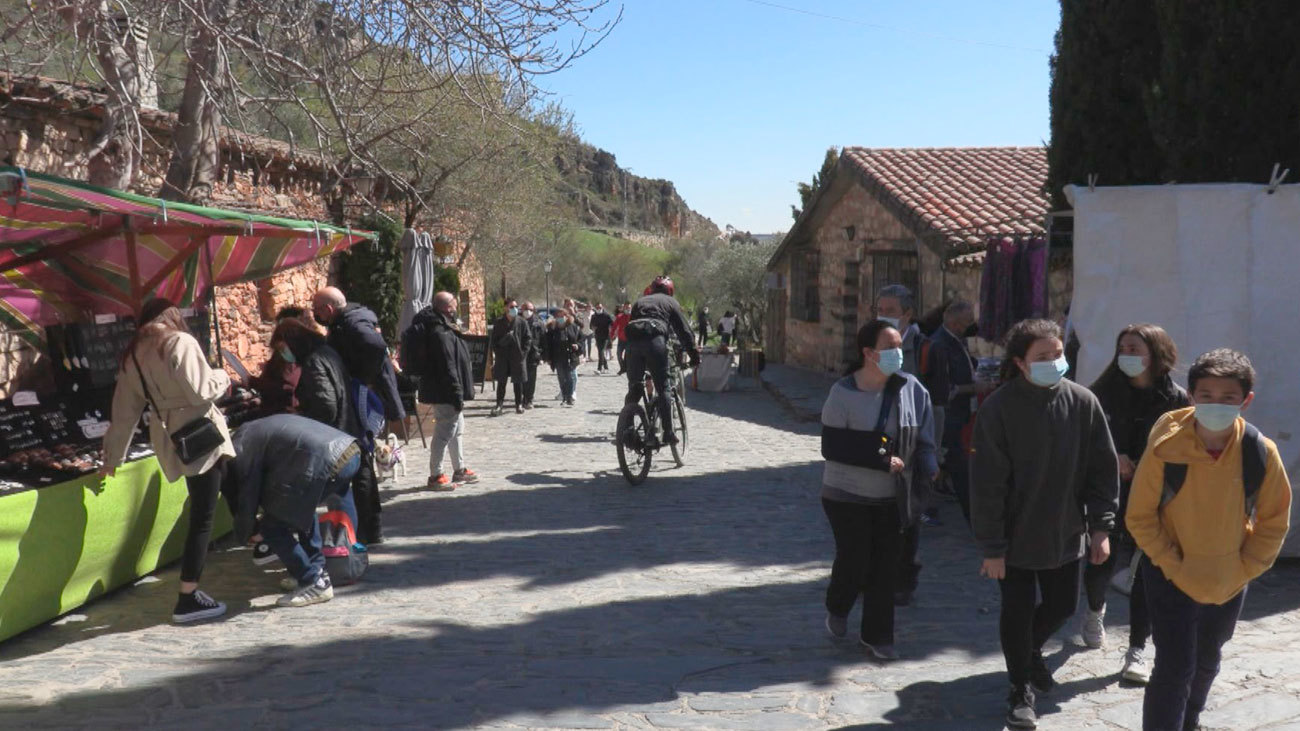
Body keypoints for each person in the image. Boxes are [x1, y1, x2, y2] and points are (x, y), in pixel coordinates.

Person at [1127, 349, 1291, 731]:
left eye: (1228, 398)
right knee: (1173, 666)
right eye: (1206, 396)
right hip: (1169, 573)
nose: (1216, 405)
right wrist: (1172, 563)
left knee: (1206, 660)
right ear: (1191, 396)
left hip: (1228, 576)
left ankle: (1192, 720)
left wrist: (1245, 567)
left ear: (1246, 401)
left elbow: (1273, 521)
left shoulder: (1260, 453)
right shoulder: (1166, 448)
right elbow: (1139, 516)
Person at [970, 318, 1120, 730]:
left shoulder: (1083, 402)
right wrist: (992, 547)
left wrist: (1102, 528)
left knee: (1062, 606)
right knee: (1016, 612)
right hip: (1014, 538)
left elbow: (1102, 471)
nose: (1054, 362)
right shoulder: (998, 409)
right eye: (1042, 357)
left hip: (1065, 532)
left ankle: (1028, 652)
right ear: (1019, 363)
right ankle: (1020, 689)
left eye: (1057, 355)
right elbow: (986, 484)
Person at [100, 297, 235, 623]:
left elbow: (124, 413)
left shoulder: (134, 354)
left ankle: (260, 538)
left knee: (232, 481)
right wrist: (224, 376)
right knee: (203, 515)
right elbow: (202, 390)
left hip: (175, 437)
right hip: (202, 434)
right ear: (171, 315)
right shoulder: (180, 341)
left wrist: (112, 457)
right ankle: (187, 597)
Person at [821, 320, 938, 661]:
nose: (898, 354)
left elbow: (924, 439)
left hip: (893, 496)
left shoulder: (913, 390)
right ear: (868, 353)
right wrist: (883, 457)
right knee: (855, 559)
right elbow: (834, 445)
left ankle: (877, 636)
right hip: (845, 495)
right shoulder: (843, 393)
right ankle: (838, 605)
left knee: (885, 567)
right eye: (890, 348)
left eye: (900, 346)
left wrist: (929, 466)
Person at [1083, 324, 1189, 684]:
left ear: (1156, 354)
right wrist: (1113, 457)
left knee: (1145, 570)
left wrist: (1150, 468)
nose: (1127, 355)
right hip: (1108, 494)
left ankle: (1137, 648)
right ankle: (1095, 609)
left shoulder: (1176, 399)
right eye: (1123, 347)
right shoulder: (1101, 393)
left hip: (1154, 497)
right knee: (1102, 558)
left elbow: (1186, 449)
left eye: (1136, 348)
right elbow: (1087, 439)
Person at [229, 414, 363, 607]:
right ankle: (315, 571)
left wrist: (249, 531)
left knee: (272, 527)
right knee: (302, 506)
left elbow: (248, 494)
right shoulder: (249, 432)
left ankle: (312, 580)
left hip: (330, 459)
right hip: (347, 450)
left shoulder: (240, 450)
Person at [312, 286, 399, 545]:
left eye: (317, 309)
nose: (315, 314)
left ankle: (367, 529)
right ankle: (371, 528)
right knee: (362, 461)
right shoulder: (351, 320)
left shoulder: (351, 323)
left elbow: (375, 346)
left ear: (328, 309)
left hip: (357, 399)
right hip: (358, 396)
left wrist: (362, 379)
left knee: (360, 462)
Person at [872, 283, 930, 607]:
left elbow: (934, 402)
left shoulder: (924, 348)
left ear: (907, 314)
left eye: (890, 311)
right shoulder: (872, 344)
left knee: (908, 518)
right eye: (880, 310)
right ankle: (878, 576)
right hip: (880, 440)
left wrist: (931, 452)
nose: (884, 316)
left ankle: (904, 579)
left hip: (912, 445)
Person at [403, 291, 479, 491]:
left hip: (445, 389)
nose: (456, 308)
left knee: (456, 430)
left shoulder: (443, 327)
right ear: (447, 307)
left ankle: (459, 468)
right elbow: (448, 366)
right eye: (454, 304)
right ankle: (435, 475)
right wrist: (456, 393)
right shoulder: (439, 332)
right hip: (445, 390)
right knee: (444, 432)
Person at [924, 301, 989, 522]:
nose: (969, 326)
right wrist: (973, 388)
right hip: (948, 415)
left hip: (960, 414)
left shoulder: (955, 340)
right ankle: (973, 515)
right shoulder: (940, 344)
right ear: (953, 322)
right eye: (965, 322)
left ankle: (930, 506)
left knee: (949, 462)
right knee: (957, 465)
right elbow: (944, 388)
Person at [625, 276, 700, 445]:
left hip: (633, 347)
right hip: (655, 344)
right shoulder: (671, 302)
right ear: (670, 291)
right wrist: (694, 355)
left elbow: (630, 327)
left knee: (635, 388)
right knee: (664, 387)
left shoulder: (640, 302)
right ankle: (667, 432)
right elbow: (684, 332)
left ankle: (627, 431)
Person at [249, 306, 310, 417]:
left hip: (284, 414)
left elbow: (287, 388)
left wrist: (252, 382)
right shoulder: (286, 352)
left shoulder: (292, 353)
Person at [489, 297, 531, 416]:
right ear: (505, 308)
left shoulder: (521, 322)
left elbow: (528, 338)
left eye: (516, 307)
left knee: (518, 382)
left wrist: (523, 352)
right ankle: (499, 405)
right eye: (511, 307)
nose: (514, 309)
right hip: (503, 357)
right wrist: (497, 351)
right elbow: (494, 341)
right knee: (501, 382)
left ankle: (519, 404)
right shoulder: (499, 322)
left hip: (517, 357)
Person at [546, 307, 582, 405]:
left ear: (567, 316)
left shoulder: (573, 326)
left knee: (570, 376)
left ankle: (570, 397)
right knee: (561, 377)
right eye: (559, 316)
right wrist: (548, 357)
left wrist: (577, 346)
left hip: (570, 355)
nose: (561, 318)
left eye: (563, 316)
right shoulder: (552, 328)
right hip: (557, 356)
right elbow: (548, 343)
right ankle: (565, 395)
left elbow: (580, 340)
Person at [521, 301, 546, 409]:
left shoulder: (538, 323)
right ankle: (523, 398)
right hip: (520, 354)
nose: (528, 311)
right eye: (525, 308)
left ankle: (529, 399)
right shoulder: (517, 321)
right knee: (521, 378)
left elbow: (544, 340)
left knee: (531, 379)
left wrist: (543, 355)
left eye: (530, 309)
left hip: (533, 354)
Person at [590, 303, 614, 373]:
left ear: (602, 307)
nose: (598, 309)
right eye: (597, 308)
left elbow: (612, 324)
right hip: (597, 336)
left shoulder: (606, 315)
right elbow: (590, 326)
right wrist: (593, 328)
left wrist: (611, 329)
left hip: (606, 336)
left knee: (601, 351)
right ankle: (606, 367)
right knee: (601, 352)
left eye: (600, 307)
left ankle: (599, 369)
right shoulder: (594, 316)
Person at [613, 302, 631, 375]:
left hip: (630, 339)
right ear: (623, 308)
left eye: (628, 307)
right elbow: (614, 326)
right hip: (621, 339)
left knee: (627, 356)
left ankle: (625, 369)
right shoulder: (620, 316)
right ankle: (623, 368)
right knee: (618, 354)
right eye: (626, 307)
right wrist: (611, 336)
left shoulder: (634, 316)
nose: (627, 309)